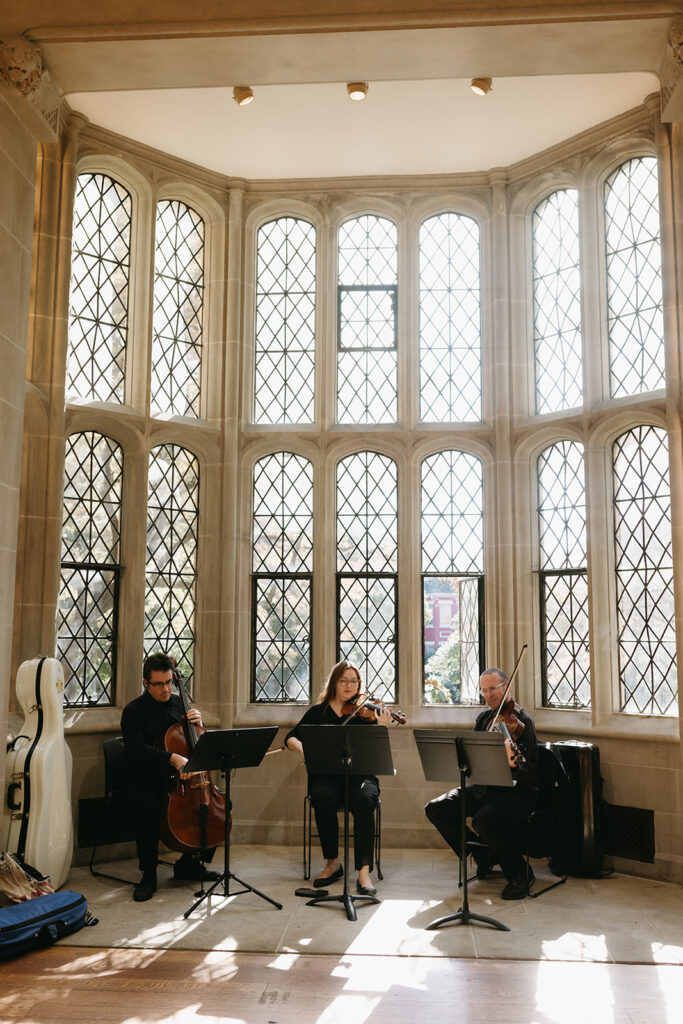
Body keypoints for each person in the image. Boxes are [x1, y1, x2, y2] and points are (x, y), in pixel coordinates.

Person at [424, 667, 538, 900]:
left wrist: (512, 762)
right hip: (483, 789)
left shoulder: (523, 721)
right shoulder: (484, 718)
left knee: (484, 819)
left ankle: (521, 874)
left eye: (493, 689)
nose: (488, 695)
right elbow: (473, 758)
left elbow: (528, 771)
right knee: (436, 808)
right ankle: (481, 853)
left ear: (506, 687)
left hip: (516, 792)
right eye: (484, 690)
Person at [121, 651, 220, 902]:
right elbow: (136, 750)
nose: (166, 689)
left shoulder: (179, 705)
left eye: (168, 682)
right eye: (159, 684)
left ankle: (189, 863)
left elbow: (193, 745)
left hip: (182, 781)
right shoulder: (134, 711)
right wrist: (171, 759)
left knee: (213, 807)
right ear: (146, 683)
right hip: (146, 777)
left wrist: (199, 723)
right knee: (148, 806)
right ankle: (148, 874)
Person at [285, 661, 391, 895]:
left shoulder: (366, 713)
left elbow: (376, 753)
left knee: (364, 799)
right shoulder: (318, 712)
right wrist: (305, 749)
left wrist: (381, 729)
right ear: (334, 682)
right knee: (322, 796)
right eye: (343, 680)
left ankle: (364, 871)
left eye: (354, 681)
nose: (349, 685)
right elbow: (291, 738)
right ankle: (332, 863)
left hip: (361, 776)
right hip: (327, 775)